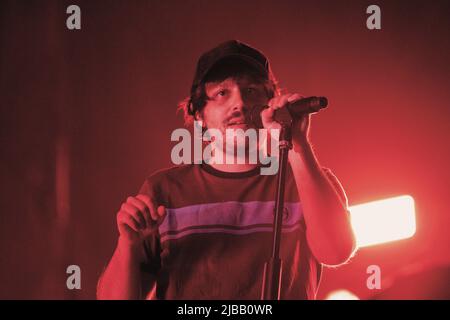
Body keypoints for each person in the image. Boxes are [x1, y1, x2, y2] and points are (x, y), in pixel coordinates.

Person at [96, 40, 356, 300]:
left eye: (252, 90)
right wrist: (128, 246)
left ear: (271, 105)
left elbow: (336, 252)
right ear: (199, 115)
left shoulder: (304, 179)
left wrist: (297, 142)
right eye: (222, 93)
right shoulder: (164, 190)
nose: (240, 104)